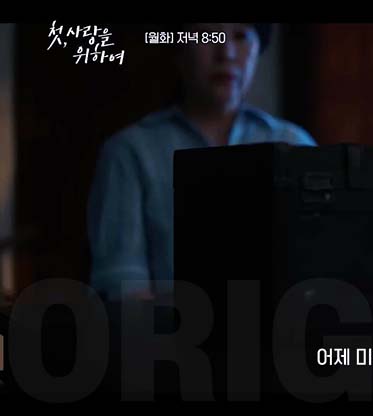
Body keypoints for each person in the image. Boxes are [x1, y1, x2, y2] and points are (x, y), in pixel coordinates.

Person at [87, 23, 316, 300]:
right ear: (179, 47)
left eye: (241, 36)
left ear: (258, 49)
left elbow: (319, 264)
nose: (227, 52)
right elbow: (122, 280)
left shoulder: (294, 144)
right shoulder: (131, 150)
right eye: (209, 36)